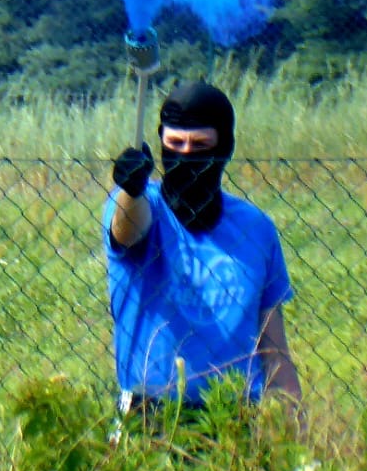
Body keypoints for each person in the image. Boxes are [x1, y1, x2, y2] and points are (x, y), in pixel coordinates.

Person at [104, 78, 301, 416]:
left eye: (200, 144)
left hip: (231, 415)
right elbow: (126, 232)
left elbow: (274, 347)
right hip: (147, 411)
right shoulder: (139, 205)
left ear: (224, 147)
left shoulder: (256, 229)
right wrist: (131, 190)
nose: (185, 155)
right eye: (175, 143)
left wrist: (295, 430)